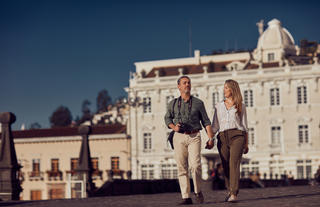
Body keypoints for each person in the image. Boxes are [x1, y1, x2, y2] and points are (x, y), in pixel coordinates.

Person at [164, 75, 215, 205]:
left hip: (194, 136)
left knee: (195, 165)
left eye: (189, 83)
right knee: (181, 167)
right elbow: (167, 119)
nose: (187, 85)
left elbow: (206, 121)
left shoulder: (198, 103)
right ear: (179, 86)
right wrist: (174, 127)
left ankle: (198, 191)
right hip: (179, 136)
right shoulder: (173, 103)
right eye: (184, 83)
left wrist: (210, 138)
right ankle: (186, 197)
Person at [211, 79, 249, 202]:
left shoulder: (241, 106)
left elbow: (244, 126)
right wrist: (210, 138)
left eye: (226, 88)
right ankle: (230, 189)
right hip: (222, 136)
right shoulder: (218, 106)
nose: (224, 90)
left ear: (233, 89)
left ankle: (234, 193)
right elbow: (215, 125)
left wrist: (246, 143)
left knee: (234, 163)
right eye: (224, 88)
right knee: (226, 165)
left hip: (237, 136)